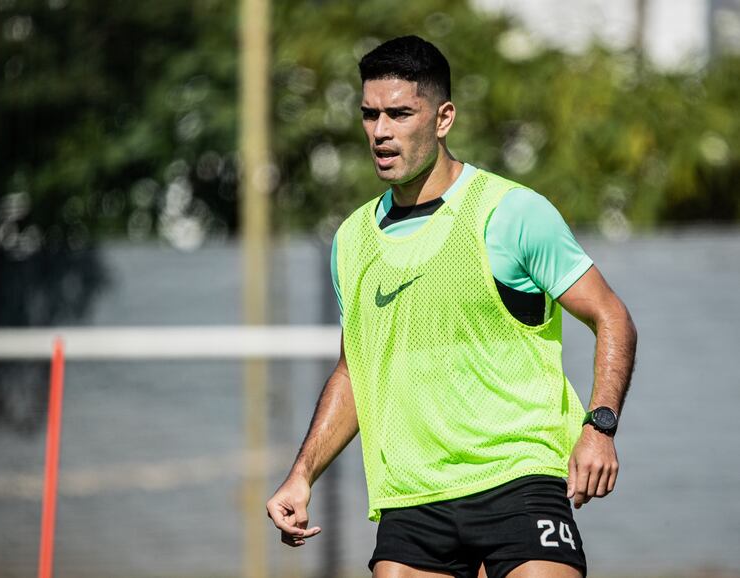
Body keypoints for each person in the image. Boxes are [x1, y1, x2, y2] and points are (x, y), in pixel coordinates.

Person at [266, 35, 637, 578]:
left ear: (442, 118)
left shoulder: (510, 214)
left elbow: (612, 317)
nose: (381, 132)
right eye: (370, 115)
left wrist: (599, 427)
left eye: (399, 113)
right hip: (412, 496)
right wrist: (302, 475)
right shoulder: (352, 239)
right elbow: (355, 372)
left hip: (518, 480)